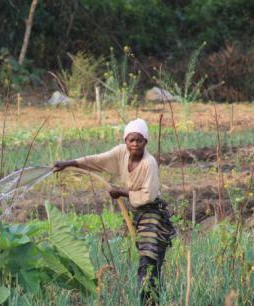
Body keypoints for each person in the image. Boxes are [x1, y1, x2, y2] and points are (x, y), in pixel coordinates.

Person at [54, 118, 176, 306]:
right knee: (147, 262)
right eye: (131, 140)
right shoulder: (121, 153)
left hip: (152, 215)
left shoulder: (149, 163)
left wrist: (122, 192)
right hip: (139, 214)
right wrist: (70, 163)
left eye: (139, 140)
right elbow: (97, 160)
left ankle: (150, 301)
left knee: (149, 261)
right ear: (125, 141)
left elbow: (149, 195)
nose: (134, 144)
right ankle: (152, 300)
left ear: (146, 142)